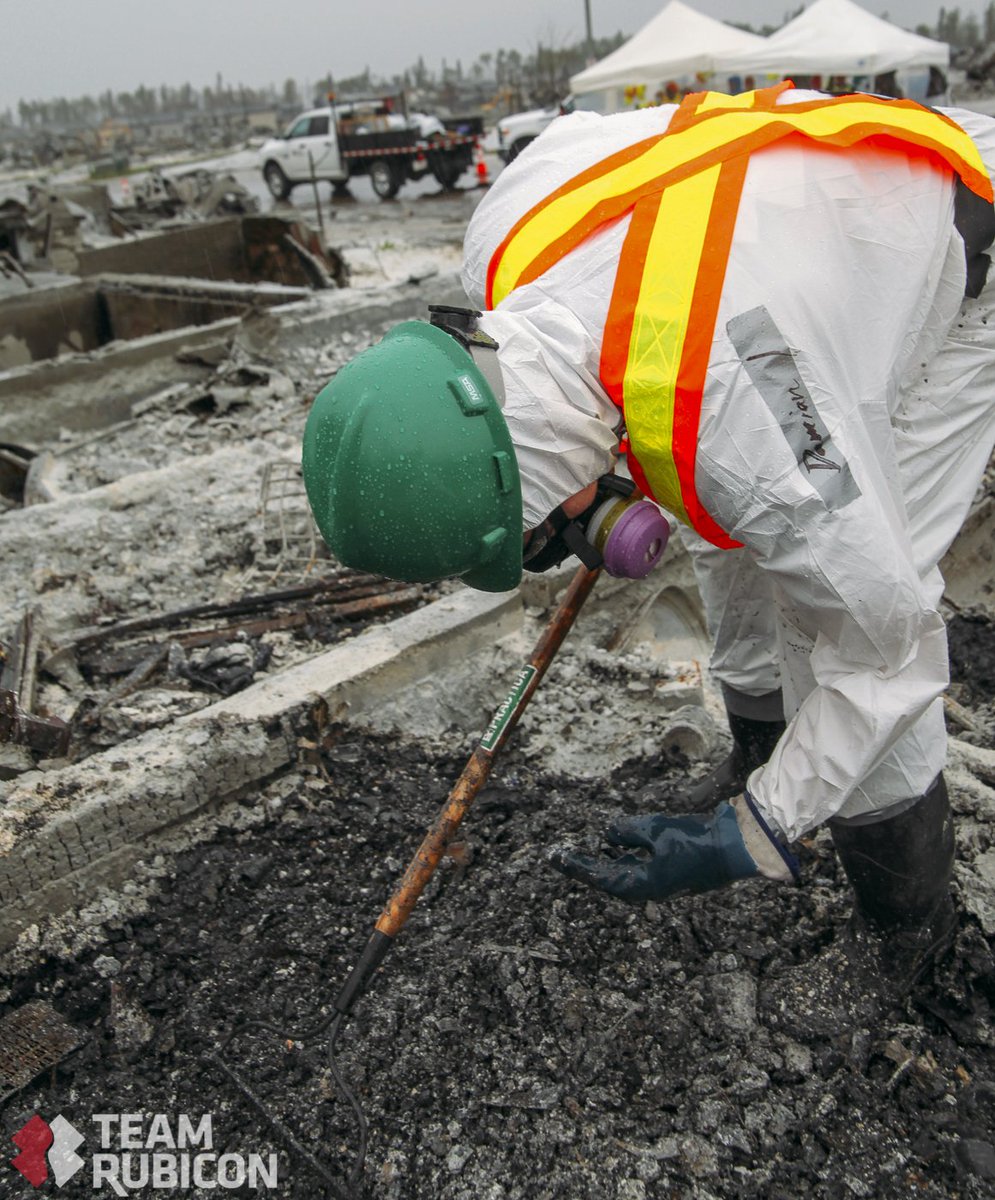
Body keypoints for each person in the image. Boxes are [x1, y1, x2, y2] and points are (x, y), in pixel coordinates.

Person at [302, 83, 995, 1037]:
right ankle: (757, 745)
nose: (565, 544)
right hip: (795, 225)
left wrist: (753, 838)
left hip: (957, 242)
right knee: (720, 508)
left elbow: (885, 651)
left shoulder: (759, 423)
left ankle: (907, 948)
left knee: (851, 600)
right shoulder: (506, 246)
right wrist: (595, 471)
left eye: (548, 530)